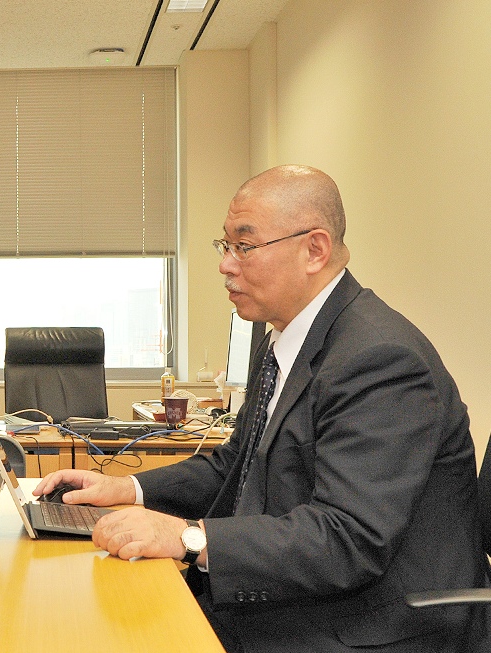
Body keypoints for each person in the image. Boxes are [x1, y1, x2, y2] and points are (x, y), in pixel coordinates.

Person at [34, 165, 489, 651]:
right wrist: (126, 488)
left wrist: (189, 537)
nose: (226, 265)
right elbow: (237, 465)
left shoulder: (380, 359)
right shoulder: (282, 341)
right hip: (299, 597)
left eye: (245, 246)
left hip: (372, 627)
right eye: (225, 245)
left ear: (314, 250)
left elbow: (349, 538)